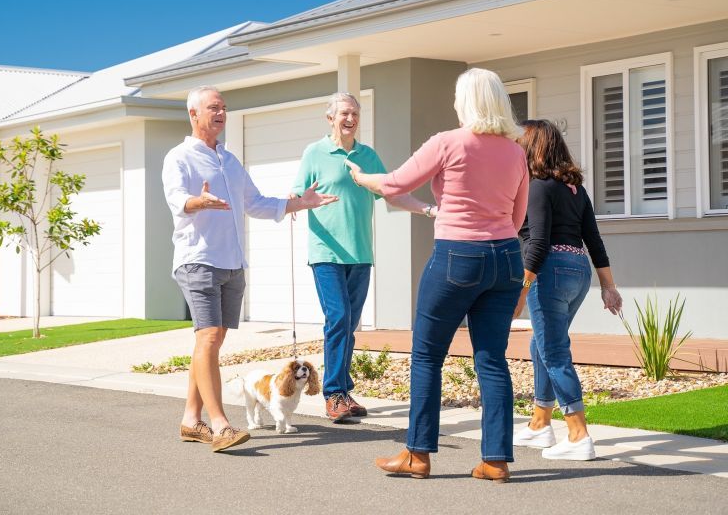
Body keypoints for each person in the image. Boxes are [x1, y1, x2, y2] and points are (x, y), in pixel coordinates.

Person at [348, 68, 528, 482]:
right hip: (505, 259)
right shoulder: (516, 151)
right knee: (492, 359)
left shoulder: (448, 143)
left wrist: (362, 177)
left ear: (466, 102)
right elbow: (518, 216)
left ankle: (418, 454)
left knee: (428, 354)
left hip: (458, 256)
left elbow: (395, 184)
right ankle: (496, 460)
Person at [162, 86, 338, 453]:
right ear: (194, 114)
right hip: (198, 260)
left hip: (232, 264)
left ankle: (190, 420)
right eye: (214, 107)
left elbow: (255, 203)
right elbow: (177, 198)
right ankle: (220, 424)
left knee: (209, 343)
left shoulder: (229, 159)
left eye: (224, 107)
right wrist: (198, 201)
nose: (221, 113)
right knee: (208, 338)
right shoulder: (179, 157)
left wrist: (299, 203)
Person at [291, 92, 435, 423]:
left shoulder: (367, 155)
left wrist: (428, 210)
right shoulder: (315, 153)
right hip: (326, 252)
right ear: (330, 118)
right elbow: (298, 194)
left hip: (360, 253)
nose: (350, 118)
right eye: (344, 113)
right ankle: (333, 394)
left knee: (348, 325)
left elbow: (392, 193)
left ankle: (343, 389)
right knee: (338, 318)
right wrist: (296, 201)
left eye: (355, 113)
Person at [512, 119, 622, 460]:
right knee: (541, 345)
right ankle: (540, 425)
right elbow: (594, 240)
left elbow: (539, 243)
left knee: (554, 351)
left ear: (531, 148)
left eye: (520, 142)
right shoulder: (575, 189)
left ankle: (578, 434)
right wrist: (608, 286)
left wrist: (521, 291)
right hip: (578, 272)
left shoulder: (538, 186)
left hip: (550, 273)